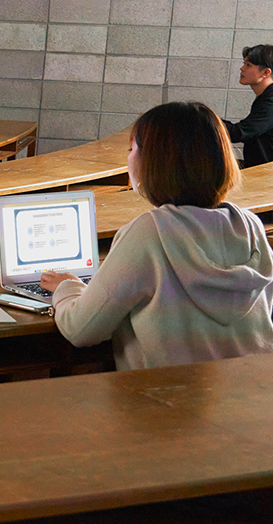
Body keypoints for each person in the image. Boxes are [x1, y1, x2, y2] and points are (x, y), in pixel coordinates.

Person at [39, 102, 273, 371]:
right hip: (253, 390)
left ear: (154, 162)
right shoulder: (251, 226)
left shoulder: (149, 232)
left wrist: (68, 286)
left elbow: (81, 330)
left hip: (172, 395)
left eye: (132, 150)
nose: (129, 158)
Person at [223, 44, 273, 167]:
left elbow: (241, 132)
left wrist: (206, 120)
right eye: (244, 63)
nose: (242, 68)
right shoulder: (266, 96)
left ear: (266, 73)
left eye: (248, 65)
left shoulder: (270, 101)